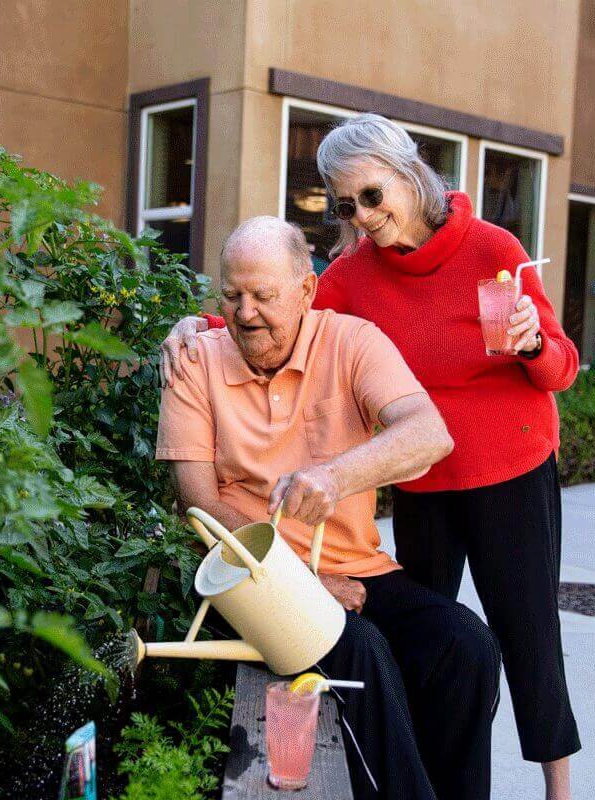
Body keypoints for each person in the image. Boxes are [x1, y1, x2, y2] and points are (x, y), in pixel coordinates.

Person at [160, 114, 581, 800]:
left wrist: (533, 344)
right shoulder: (354, 274)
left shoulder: (492, 248)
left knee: (529, 638)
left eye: (372, 196)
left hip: (509, 464)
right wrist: (201, 327)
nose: (362, 216)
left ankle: (558, 790)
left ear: (409, 174)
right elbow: (279, 308)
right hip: (424, 482)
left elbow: (562, 367)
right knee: (440, 647)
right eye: (346, 204)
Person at [156, 216, 500, 800]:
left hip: (356, 569)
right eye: (232, 295)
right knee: (361, 653)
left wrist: (335, 476)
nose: (245, 313)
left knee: (465, 646)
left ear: (307, 290)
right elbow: (200, 503)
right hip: (246, 581)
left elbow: (429, 435)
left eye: (263, 296)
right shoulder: (194, 361)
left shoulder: (352, 342)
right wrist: (305, 582)